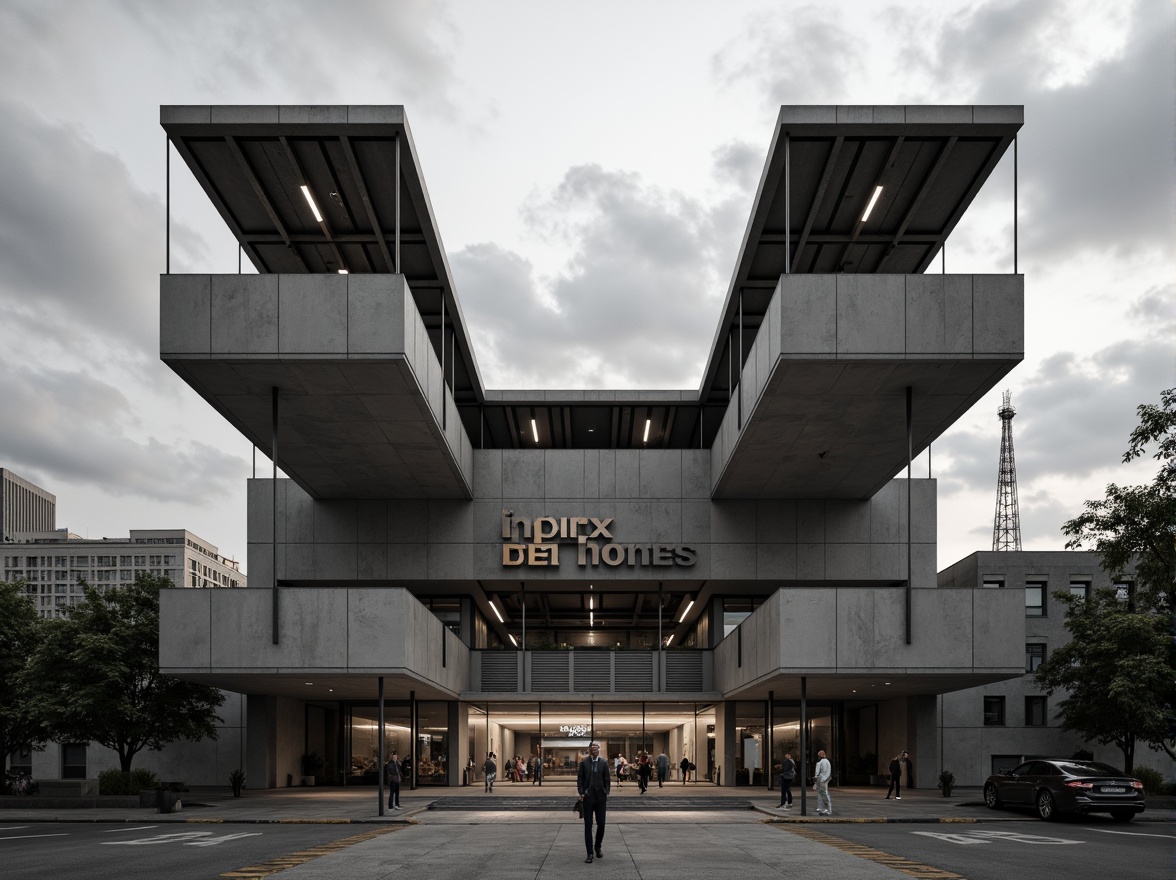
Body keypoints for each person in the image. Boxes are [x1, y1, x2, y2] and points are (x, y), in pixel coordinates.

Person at [577, 741, 611, 863]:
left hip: (600, 798)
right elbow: (580, 778)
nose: (594, 750)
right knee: (588, 826)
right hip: (588, 797)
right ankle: (589, 853)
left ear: (599, 750)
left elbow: (607, 778)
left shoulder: (604, 763)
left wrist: (606, 791)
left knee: (601, 824)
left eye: (596, 748)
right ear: (589, 750)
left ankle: (598, 846)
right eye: (592, 749)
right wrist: (581, 792)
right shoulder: (584, 763)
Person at [813, 750, 832, 815]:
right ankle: (822, 808)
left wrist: (818, 778)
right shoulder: (825, 761)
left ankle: (827, 809)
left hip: (822, 779)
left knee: (824, 794)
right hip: (823, 779)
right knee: (821, 793)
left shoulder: (823, 762)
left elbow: (821, 772)